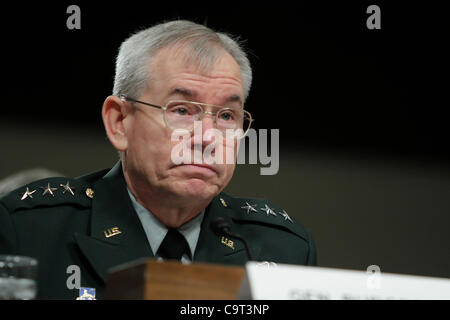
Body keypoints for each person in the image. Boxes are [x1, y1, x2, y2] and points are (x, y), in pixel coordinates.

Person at [0, 19, 316, 299]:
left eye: (226, 115)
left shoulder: (283, 250)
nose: (207, 137)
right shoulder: (27, 231)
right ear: (119, 122)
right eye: (181, 110)